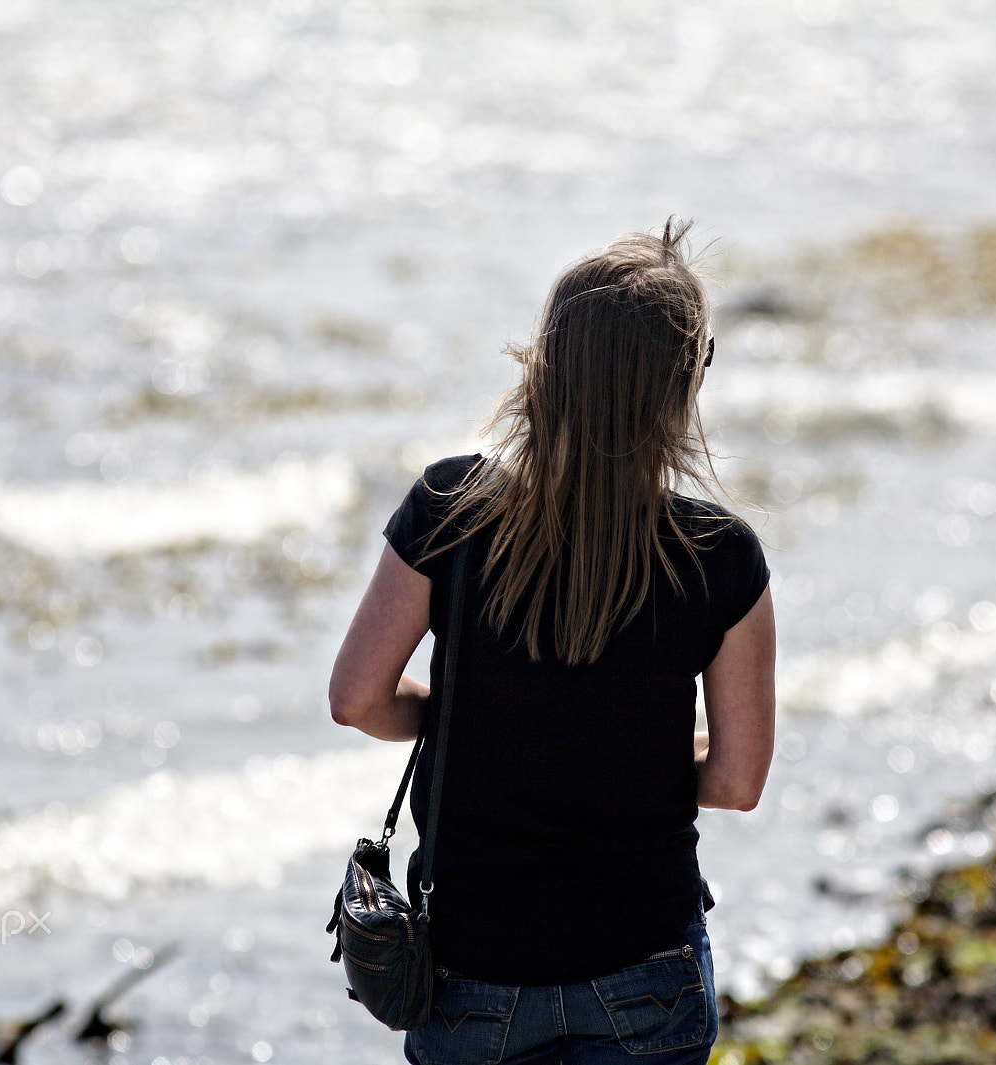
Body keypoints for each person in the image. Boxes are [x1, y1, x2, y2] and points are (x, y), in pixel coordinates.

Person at [328, 220, 776, 1065]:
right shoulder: (723, 555)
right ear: (683, 382)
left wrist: (469, 718)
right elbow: (738, 779)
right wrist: (618, 752)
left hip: (471, 973)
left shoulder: (450, 506)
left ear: (546, 362)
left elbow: (356, 699)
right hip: (646, 969)